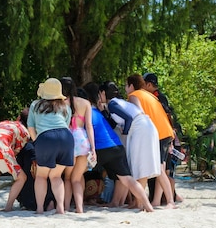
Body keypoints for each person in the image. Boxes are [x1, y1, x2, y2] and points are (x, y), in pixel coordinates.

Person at [100, 82, 177, 209]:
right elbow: (115, 123)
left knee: (140, 165)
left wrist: (125, 136)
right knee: (143, 165)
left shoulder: (113, 103)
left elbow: (129, 119)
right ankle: (139, 201)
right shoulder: (117, 103)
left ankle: (143, 201)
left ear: (103, 94)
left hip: (140, 129)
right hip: (145, 127)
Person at [82, 82, 154, 212]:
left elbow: (128, 118)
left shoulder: (107, 105)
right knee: (127, 179)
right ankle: (147, 206)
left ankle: (76, 203)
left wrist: (125, 132)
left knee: (76, 174)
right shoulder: (101, 111)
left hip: (104, 147)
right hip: (117, 146)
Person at [126, 74, 176, 207]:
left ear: (131, 85)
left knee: (159, 168)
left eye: (126, 86)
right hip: (166, 131)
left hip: (157, 132)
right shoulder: (149, 95)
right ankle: (157, 201)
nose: (125, 89)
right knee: (161, 168)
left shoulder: (134, 95)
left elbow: (138, 114)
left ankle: (170, 201)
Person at [27, 78, 75, 214]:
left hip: (46, 138)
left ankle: (40, 209)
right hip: (66, 138)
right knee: (56, 176)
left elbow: (31, 127)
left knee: (41, 176)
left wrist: (38, 142)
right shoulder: (66, 107)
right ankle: (60, 207)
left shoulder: (35, 105)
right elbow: (65, 126)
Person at [142, 72, 184, 203]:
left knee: (163, 169)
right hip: (165, 136)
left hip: (164, 136)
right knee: (162, 169)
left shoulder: (157, 98)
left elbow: (167, 117)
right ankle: (164, 197)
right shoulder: (156, 97)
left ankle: (164, 198)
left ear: (149, 84)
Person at [61, 77, 96, 213]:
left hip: (68, 140)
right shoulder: (85, 103)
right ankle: (80, 208)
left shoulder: (60, 103)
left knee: (68, 178)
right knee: (77, 178)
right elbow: (89, 126)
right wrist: (93, 148)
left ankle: (64, 207)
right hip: (82, 140)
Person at [15, 109, 56, 211]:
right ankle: (50, 201)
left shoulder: (24, 146)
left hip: (28, 200)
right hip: (48, 196)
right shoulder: (46, 142)